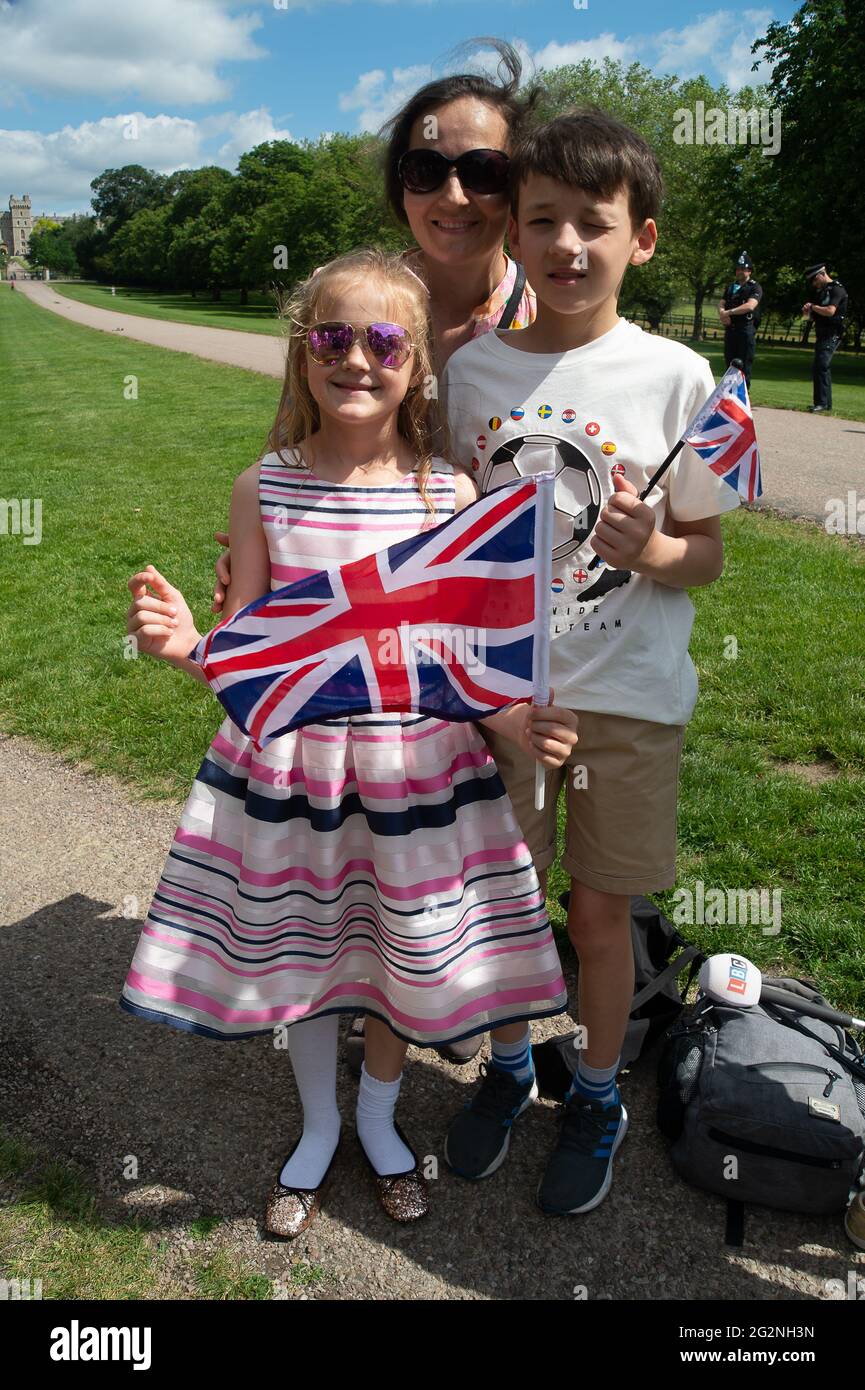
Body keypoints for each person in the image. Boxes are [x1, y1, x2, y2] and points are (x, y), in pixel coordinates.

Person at [121, 248, 577, 1239]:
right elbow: (247, 658)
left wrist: (515, 722)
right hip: (295, 773)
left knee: (395, 954)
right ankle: (318, 1125)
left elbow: (457, 665)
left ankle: (378, 1116)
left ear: (417, 365)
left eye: (383, 342)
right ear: (303, 352)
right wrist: (183, 645)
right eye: (334, 337)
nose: (357, 359)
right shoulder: (263, 489)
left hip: (415, 773)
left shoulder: (444, 498)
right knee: (307, 953)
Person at [211, 39, 541, 1066]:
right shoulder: (371, 303)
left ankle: (480, 1031)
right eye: (426, 169)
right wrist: (266, 568)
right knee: (367, 857)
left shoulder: (548, 309)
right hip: (364, 654)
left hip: (516, 644)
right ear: (401, 187)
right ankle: (368, 995)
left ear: (515, 183)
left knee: (498, 849)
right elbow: (299, 444)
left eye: (483, 171)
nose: (454, 191)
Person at [440, 108, 740, 1216]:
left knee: (600, 917)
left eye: (594, 225)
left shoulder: (677, 375)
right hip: (506, 702)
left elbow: (704, 554)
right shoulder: (470, 373)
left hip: (627, 701)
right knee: (507, 904)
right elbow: (445, 539)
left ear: (642, 239)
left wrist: (652, 546)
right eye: (542, 221)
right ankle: (513, 1068)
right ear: (511, 237)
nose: (568, 245)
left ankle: (600, 1090)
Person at [803, 261, 848, 412]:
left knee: (821, 365)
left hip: (833, 332)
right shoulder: (820, 293)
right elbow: (811, 318)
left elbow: (830, 311)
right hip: (821, 333)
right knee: (820, 366)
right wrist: (807, 312)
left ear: (822, 274)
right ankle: (824, 403)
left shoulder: (837, 289)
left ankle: (822, 403)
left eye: (815, 279)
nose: (814, 284)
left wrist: (814, 307)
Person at [719, 251, 762, 388]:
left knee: (743, 365)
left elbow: (750, 306)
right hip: (731, 330)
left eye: (743, 269)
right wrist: (722, 313)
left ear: (749, 271)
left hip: (745, 330)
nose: (739, 272)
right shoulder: (731, 287)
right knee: (729, 364)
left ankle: (743, 398)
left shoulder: (754, 287)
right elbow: (721, 302)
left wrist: (729, 312)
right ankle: (728, 396)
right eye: (738, 269)